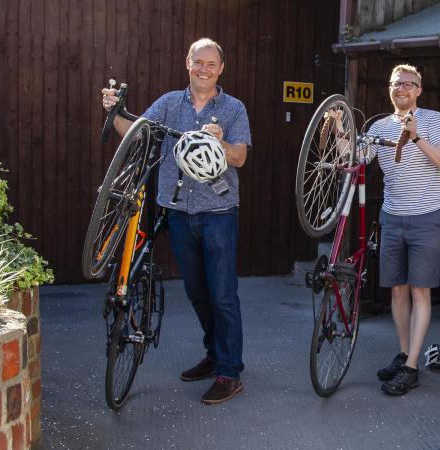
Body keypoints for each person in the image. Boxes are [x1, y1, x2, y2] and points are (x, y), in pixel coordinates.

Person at [100, 37, 251, 405]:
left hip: (218, 213)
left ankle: (230, 372)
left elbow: (240, 157)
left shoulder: (233, 109)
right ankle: (214, 354)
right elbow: (136, 135)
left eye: (211, 64)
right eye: (198, 62)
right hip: (179, 211)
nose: (204, 69)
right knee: (197, 292)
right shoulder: (169, 103)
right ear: (188, 63)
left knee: (223, 294)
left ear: (221, 69)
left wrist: (221, 145)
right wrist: (114, 111)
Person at [366, 64, 440, 396]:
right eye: (395, 84)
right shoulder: (379, 125)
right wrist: (334, 133)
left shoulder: (433, 119)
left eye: (407, 84)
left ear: (418, 89)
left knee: (420, 291)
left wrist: (415, 136)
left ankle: (413, 367)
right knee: (397, 291)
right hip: (392, 216)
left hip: (428, 215)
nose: (401, 88)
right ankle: (404, 355)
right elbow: (356, 157)